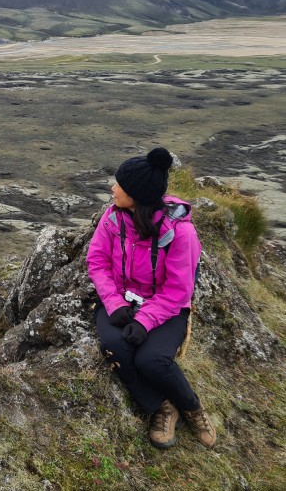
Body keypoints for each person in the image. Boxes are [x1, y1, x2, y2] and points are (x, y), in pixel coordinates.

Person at [87, 147, 217, 450]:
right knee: (115, 346)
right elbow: (96, 261)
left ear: (138, 195)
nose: (113, 188)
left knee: (152, 360)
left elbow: (178, 291)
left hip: (167, 308)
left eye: (120, 185)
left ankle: (192, 408)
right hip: (119, 300)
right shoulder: (113, 217)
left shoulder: (181, 234)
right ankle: (161, 407)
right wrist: (114, 302)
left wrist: (145, 320)